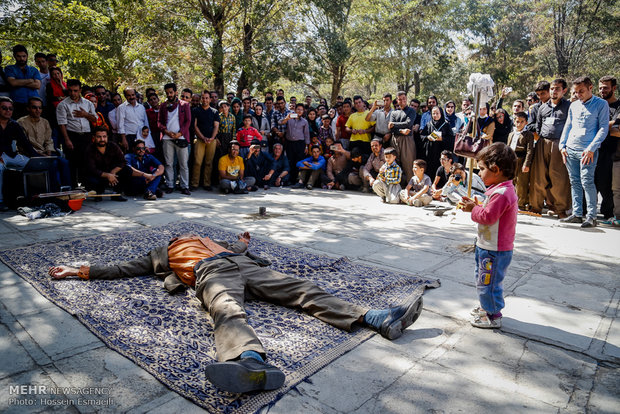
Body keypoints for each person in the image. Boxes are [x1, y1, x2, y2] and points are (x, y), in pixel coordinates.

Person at [48, 230, 424, 393]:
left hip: (242, 265)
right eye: (179, 237)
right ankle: (249, 362)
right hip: (209, 273)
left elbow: (240, 249)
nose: (183, 237)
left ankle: (376, 318)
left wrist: (242, 244)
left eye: (186, 235)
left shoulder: (215, 240)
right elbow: (120, 268)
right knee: (226, 309)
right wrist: (79, 270)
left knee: (302, 289)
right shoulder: (159, 254)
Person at [460, 142, 518, 329]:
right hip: (486, 246)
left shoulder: (502, 193)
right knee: (483, 279)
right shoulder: (498, 190)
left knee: (489, 283)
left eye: (482, 169)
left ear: (496, 169)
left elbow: (487, 217)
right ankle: (487, 307)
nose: (478, 173)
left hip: (494, 250)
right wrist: (476, 204)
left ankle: (494, 316)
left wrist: (473, 209)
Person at [559, 76, 610, 228]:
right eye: (576, 92)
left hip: (587, 151)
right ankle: (577, 214)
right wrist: (562, 146)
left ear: (590, 88)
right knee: (574, 182)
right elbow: (568, 126)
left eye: (581, 91)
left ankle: (592, 216)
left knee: (587, 182)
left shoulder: (601, 104)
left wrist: (591, 148)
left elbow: (603, 128)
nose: (578, 94)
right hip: (570, 149)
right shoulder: (574, 105)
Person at [530, 78, 572, 217]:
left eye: (557, 89)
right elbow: (538, 126)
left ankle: (560, 209)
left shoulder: (569, 106)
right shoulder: (542, 107)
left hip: (559, 143)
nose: (554, 91)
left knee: (559, 177)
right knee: (539, 175)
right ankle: (535, 207)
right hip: (543, 142)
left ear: (564, 91)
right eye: (552, 88)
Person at [17, 97, 71, 190]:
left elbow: (48, 140)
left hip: (46, 153)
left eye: (40, 108)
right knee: (52, 164)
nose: (38, 110)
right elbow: (24, 145)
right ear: (28, 108)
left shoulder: (45, 122)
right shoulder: (21, 122)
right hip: (29, 155)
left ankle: (67, 190)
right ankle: (54, 192)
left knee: (64, 162)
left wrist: (49, 151)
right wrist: (41, 154)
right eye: (34, 107)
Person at [0, 97, 39, 210]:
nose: (8, 111)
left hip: (11, 155)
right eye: (4, 108)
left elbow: (26, 144)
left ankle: (36, 197)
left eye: (10, 108)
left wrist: (38, 158)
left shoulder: (14, 125)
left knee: (32, 164)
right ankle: (0, 201)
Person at [56, 79, 97, 187]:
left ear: (80, 90)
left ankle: (89, 187)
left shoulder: (88, 103)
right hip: (72, 135)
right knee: (72, 163)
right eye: (70, 91)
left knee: (87, 162)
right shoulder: (63, 105)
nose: (73, 93)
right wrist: (67, 140)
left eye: (75, 91)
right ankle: (73, 188)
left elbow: (94, 119)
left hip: (86, 136)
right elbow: (62, 124)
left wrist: (85, 114)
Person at [83, 127, 139, 201]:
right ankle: (98, 193)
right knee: (90, 178)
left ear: (107, 137)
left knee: (127, 170)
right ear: (94, 138)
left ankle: (116, 193)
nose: (102, 139)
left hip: (112, 174)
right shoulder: (90, 149)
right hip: (99, 175)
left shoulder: (113, 146)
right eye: (99, 137)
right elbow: (92, 169)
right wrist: (108, 175)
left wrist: (113, 172)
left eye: (104, 136)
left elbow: (122, 161)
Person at [158, 82, 192, 195]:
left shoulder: (184, 105)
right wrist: (166, 131)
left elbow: (188, 121)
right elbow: (159, 122)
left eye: (171, 92)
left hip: (181, 138)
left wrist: (180, 133)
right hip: (167, 138)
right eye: (167, 93)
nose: (169, 94)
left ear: (176, 92)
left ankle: (184, 186)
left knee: (183, 163)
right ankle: (170, 185)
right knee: (169, 163)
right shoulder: (163, 105)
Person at [596, 75, 620, 222]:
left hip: (612, 152)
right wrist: (608, 125)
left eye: (605, 87)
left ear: (614, 88)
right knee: (593, 182)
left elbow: (618, 130)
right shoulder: (597, 104)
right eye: (600, 88)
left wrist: (600, 126)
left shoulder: (618, 106)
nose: (602, 91)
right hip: (595, 150)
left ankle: (609, 214)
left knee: (608, 185)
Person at [191, 91, 220, 191]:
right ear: (201, 99)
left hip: (211, 140)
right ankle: (195, 184)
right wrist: (202, 137)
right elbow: (195, 126)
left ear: (210, 99)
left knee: (209, 162)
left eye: (207, 98)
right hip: (200, 139)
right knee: (197, 162)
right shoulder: (196, 110)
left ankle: (206, 183)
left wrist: (212, 138)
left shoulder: (214, 112)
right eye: (203, 98)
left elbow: (216, 126)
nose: (205, 100)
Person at [4, 45, 42, 119]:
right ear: (14, 56)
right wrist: (30, 80)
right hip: (17, 103)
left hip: (34, 103)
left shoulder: (33, 70)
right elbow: (13, 83)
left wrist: (19, 82)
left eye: (24, 56)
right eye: (19, 56)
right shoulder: (10, 68)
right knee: (18, 126)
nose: (22, 58)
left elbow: (37, 85)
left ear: (27, 56)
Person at [507, 112, 535, 210]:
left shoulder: (528, 135)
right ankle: (510, 201)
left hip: (521, 160)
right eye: (517, 121)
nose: (519, 124)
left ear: (526, 122)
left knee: (521, 183)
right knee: (511, 181)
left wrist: (526, 164)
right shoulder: (511, 134)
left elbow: (530, 150)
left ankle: (520, 204)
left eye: (522, 122)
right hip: (511, 160)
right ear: (514, 121)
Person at [389, 91, 417, 184]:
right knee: (395, 163)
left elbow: (408, 124)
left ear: (406, 99)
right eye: (400, 99)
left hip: (407, 140)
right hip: (395, 139)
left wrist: (394, 124)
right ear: (397, 100)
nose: (402, 101)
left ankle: (410, 187)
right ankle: (395, 186)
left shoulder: (411, 111)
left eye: (403, 99)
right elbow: (391, 129)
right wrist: (401, 130)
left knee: (408, 164)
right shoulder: (394, 113)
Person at [420, 106, 454, 179]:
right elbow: (421, 136)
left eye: (437, 113)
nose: (435, 115)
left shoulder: (446, 125)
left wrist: (442, 139)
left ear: (441, 114)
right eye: (433, 113)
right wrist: (427, 137)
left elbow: (451, 139)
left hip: (442, 151)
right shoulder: (429, 124)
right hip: (431, 152)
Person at [117, 88, 151, 153]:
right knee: (131, 156)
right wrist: (123, 139)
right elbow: (120, 125)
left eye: (133, 95)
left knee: (143, 156)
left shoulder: (141, 107)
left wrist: (148, 137)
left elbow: (146, 123)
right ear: (125, 96)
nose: (131, 97)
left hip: (142, 136)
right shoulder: (121, 108)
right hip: (129, 137)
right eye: (129, 95)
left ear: (135, 95)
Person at [282, 104, 310, 180]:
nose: (299, 111)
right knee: (290, 160)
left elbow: (306, 134)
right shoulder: (289, 118)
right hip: (289, 143)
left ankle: (298, 179)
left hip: (300, 143)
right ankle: (290, 179)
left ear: (303, 111)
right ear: (295, 110)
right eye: (298, 109)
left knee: (299, 161)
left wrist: (307, 146)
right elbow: (281, 122)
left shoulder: (304, 121)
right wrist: (287, 118)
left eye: (301, 109)